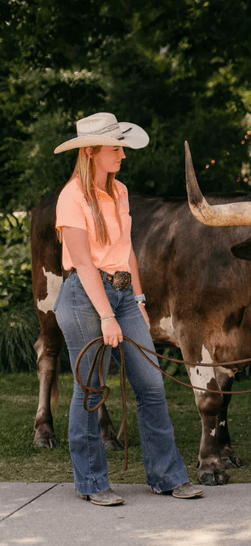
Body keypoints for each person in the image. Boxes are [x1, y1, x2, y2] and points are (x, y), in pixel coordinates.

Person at [53, 112, 204, 506]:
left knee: (152, 386)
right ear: (91, 153)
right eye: (115, 148)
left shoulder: (119, 191)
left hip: (122, 296)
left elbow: (126, 252)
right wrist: (105, 315)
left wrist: (136, 300)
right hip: (85, 298)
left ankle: (167, 476)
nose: (122, 154)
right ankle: (91, 482)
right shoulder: (71, 197)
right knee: (91, 390)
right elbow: (85, 263)